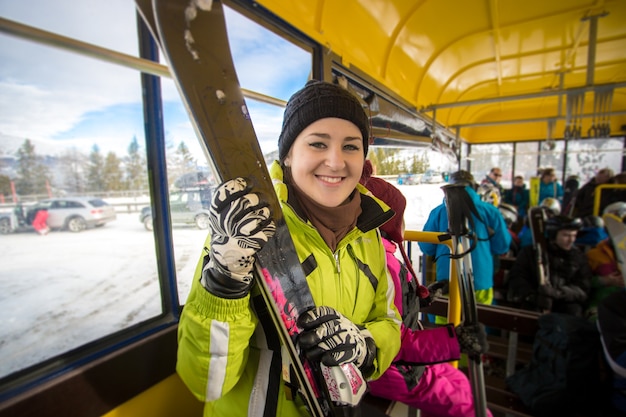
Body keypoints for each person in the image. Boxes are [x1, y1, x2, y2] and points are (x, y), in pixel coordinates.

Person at [175, 80, 402, 416]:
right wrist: (225, 280)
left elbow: (389, 322)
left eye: (351, 147)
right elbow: (206, 382)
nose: (336, 162)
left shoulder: (368, 232)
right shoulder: (247, 232)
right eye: (318, 144)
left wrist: (365, 345)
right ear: (288, 154)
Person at [361, 174, 492, 417]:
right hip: (395, 370)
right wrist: (455, 340)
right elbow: (393, 341)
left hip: (400, 363)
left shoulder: (381, 256)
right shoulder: (382, 265)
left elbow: (388, 308)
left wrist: (417, 298)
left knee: (459, 381)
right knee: (467, 407)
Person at [419, 170, 511, 321]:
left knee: (446, 326)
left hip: (448, 281)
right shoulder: (490, 211)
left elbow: (426, 246)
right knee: (477, 325)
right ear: (473, 187)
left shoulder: (439, 212)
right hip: (481, 280)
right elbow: (501, 246)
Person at [507, 215, 592, 317]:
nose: (571, 240)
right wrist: (533, 296)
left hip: (565, 304)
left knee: (573, 312)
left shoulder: (578, 257)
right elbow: (517, 277)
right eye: (566, 235)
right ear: (553, 235)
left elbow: (582, 288)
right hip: (535, 301)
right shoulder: (532, 253)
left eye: (574, 235)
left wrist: (557, 293)